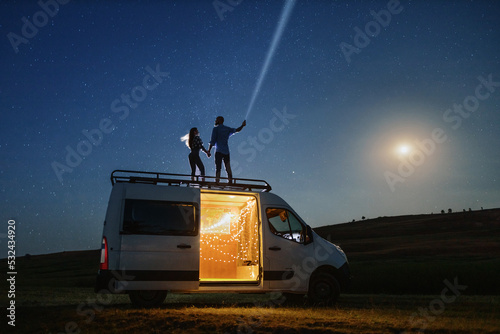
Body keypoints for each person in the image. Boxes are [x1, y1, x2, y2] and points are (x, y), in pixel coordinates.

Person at [208, 116, 246, 183]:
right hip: (226, 151)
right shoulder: (227, 129)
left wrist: (209, 151)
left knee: (218, 167)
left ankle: (217, 181)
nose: (215, 121)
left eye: (216, 120)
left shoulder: (215, 129)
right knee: (228, 167)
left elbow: (212, 141)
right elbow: (237, 130)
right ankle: (230, 181)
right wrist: (242, 125)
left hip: (218, 151)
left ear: (219, 121)